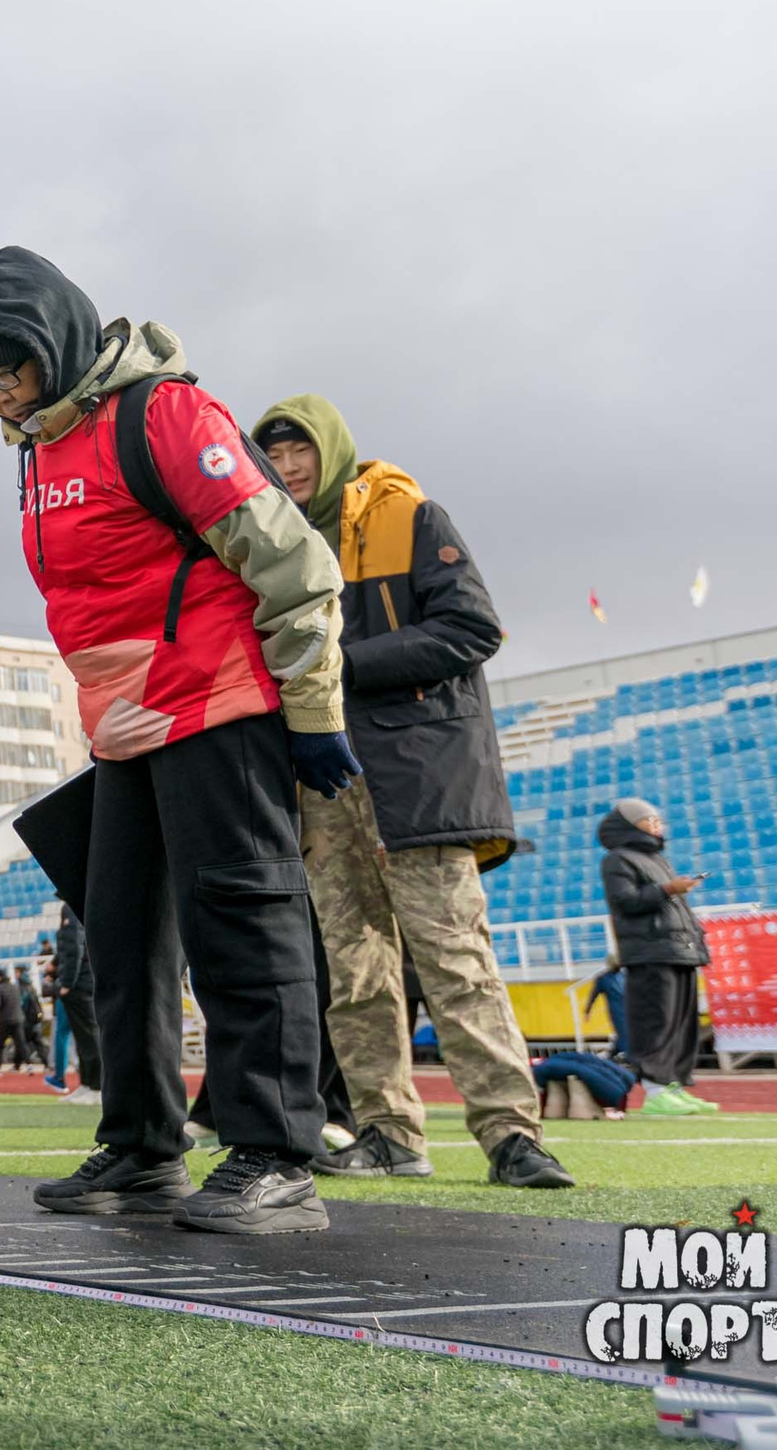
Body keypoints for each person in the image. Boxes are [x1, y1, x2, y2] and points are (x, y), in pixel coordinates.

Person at [0, 247, 353, 1235]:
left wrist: (314, 715)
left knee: (241, 924)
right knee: (113, 942)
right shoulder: (39, 450)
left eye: (12, 373)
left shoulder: (166, 417)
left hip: (218, 703)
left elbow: (296, 566)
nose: (0, 398)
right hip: (124, 729)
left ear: (59, 343)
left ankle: (274, 1154)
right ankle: (140, 1147)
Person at [249, 397, 569, 1190]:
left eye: (300, 453)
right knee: (353, 969)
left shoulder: (409, 513)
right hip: (322, 783)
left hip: (418, 775)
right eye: (274, 457)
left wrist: (344, 665)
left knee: (456, 959)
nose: (288, 469)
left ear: (330, 449)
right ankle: (388, 1131)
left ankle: (512, 1136)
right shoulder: (265, 541)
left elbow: (473, 628)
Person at [598, 799, 719, 1116]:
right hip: (650, 951)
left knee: (682, 1023)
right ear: (629, 825)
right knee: (657, 1022)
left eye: (657, 820)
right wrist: (668, 889)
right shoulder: (617, 859)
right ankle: (655, 1091)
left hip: (679, 949)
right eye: (648, 820)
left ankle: (675, 1085)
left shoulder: (657, 859)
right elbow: (626, 901)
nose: (657, 825)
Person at [43, 906, 101, 1105]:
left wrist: (66, 983)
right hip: (82, 984)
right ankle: (87, 1085)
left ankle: (98, 1087)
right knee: (83, 1040)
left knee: (89, 1038)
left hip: (80, 987)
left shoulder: (71, 910)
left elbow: (74, 948)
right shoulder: (77, 909)